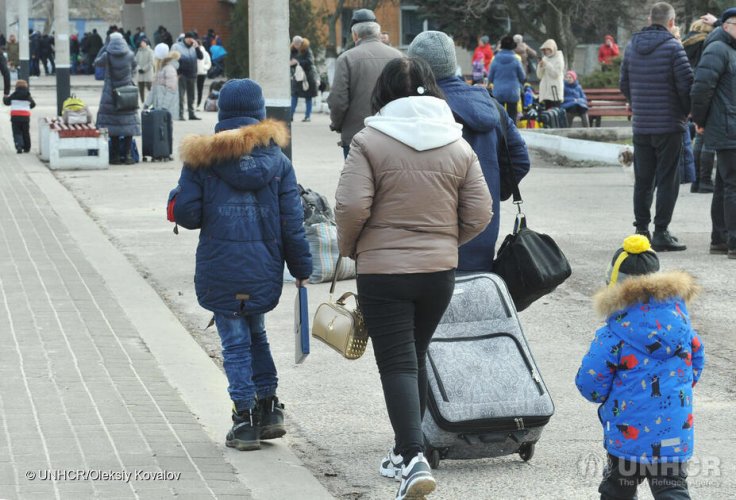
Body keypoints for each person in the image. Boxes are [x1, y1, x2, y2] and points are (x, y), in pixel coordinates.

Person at [334, 57, 492, 500]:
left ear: (382, 93)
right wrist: (446, 241)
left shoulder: (370, 141)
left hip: (384, 272)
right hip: (438, 272)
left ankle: (412, 457)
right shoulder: (457, 143)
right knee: (416, 354)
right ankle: (408, 452)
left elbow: (349, 207)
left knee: (399, 362)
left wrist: (353, 248)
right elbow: (480, 212)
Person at [168, 78, 312, 452]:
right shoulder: (279, 162)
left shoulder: (202, 160)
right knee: (257, 335)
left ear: (222, 113)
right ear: (260, 114)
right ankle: (269, 408)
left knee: (234, 344)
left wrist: (178, 195)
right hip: (263, 267)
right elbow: (291, 223)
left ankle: (244, 419)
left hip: (221, 267)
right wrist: (301, 267)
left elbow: (187, 214)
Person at [575, 234, 704, 500]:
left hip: (627, 438)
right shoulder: (682, 326)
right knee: (672, 489)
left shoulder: (613, 335)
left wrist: (604, 396)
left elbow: (590, 384)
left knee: (617, 490)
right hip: (674, 434)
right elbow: (697, 363)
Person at [408, 31, 531, 272]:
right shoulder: (489, 104)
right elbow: (520, 159)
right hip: (483, 230)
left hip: (429, 239)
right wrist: (493, 190)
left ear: (415, 68)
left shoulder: (417, 110)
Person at [620, 2, 693, 251]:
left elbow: (624, 83)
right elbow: (686, 86)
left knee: (643, 180)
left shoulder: (631, 47)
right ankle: (661, 231)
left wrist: (637, 103)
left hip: (641, 126)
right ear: (671, 22)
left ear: (650, 19)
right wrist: (686, 112)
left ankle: (641, 230)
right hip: (669, 125)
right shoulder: (674, 47)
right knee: (667, 179)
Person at [691, 7, 736, 259]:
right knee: (733, 185)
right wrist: (699, 120)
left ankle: (719, 239)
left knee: (724, 184)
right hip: (726, 126)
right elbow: (701, 88)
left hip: (728, 124)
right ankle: (733, 242)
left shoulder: (728, 49)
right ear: (728, 25)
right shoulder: (718, 48)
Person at [327, 9, 402, 158]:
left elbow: (338, 100)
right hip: (393, 134)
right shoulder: (399, 57)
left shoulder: (346, 58)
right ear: (378, 34)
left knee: (357, 179)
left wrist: (337, 124)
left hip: (356, 135)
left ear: (355, 35)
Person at [95, 32, 141, 165]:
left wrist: (104, 48)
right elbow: (134, 68)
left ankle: (114, 156)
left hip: (110, 94)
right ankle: (127, 156)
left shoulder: (107, 55)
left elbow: (97, 63)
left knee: (112, 127)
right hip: (127, 94)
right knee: (128, 126)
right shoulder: (130, 55)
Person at [683, 19, 716, 193]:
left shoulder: (685, 43)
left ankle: (696, 181)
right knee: (707, 137)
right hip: (707, 91)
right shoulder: (707, 43)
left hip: (692, 92)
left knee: (699, 137)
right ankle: (705, 180)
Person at [145, 43, 179, 158]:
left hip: (166, 108)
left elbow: (171, 89)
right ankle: (161, 150)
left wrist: (164, 107)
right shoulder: (160, 69)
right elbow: (153, 90)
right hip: (159, 107)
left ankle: (167, 151)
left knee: (167, 129)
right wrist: (147, 103)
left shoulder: (169, 69)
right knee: (160, 130)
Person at [488, 35, 526, 122]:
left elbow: (490, 77)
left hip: (498, 91)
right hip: (512, 92)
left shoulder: (495, 60)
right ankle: (511, 133)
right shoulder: (516, 60)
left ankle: (501, 134)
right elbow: (522, 76)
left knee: (500, 116)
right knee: (512, 116)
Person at [172, 32, 203, 121]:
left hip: (192, 74)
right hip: (182, 75)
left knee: (191, 96)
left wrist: (197, 47)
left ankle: (191, 113)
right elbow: (172, 59)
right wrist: (176, 72)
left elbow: (200, 57)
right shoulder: (177, 46)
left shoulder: (194, 47)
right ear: (186, 38)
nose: (192, 41)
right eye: (191, 38)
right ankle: (180, 114)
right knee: (181, 95)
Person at [289, 36, 318, 122]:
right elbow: (291, 61)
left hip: (307, 77)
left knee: (308, 97)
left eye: (298, 44)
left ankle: (307, 116)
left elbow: (310, 61)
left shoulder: (307, 50)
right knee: (294, 96)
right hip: (297, 76)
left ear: (301, 43)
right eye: (295, 44)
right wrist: (291, 63)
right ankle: (290, 116)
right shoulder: (293, 50)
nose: (296, 45)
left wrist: (297, 62)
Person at [2, 79, 35, 153]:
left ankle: (19, 146)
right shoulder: (27, 95)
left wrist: (4, 97)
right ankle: (27, 148)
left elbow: (6, 102)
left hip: (15, 117)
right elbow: (33, 104)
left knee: (17, 132)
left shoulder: (14, 94)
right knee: (25, 132)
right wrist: (26, 107)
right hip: (25, 117)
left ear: (16, 87)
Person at [536, 39, 565, 108]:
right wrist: (540, 66)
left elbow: (556, 74)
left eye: (547, 49)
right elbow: (539, 76)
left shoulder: (559, 58)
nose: (546, 52)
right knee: (547, 113)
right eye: (544, 50)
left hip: (554, 90)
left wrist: (547, 65)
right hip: (545, 91)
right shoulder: (544, 58)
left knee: (555, 112)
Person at [195, 42, 211, 111]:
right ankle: (194, 104)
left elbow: (208, 63)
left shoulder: (205, 53)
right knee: (194, 90)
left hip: (202, 73)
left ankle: (198, 104)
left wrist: (204, 68)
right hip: (193, 73)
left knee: (200, 89)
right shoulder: (192, 51)